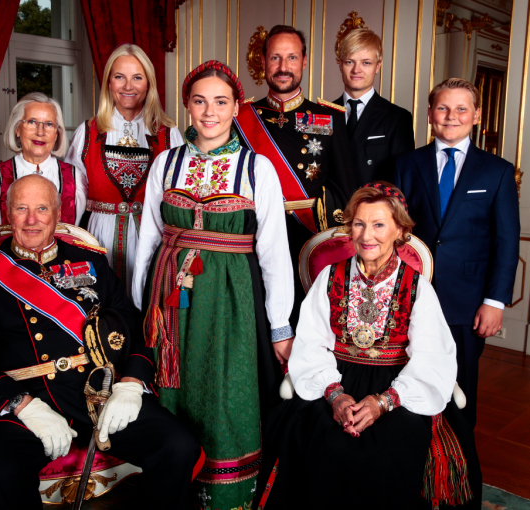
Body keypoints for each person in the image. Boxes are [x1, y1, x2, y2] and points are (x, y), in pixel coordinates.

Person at [0, 174, 202, 510]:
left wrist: (131, 382)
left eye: (41, 208)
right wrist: (22, 404)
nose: (32, 219)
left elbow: (133, 325)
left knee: (179, 445)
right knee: (0, 478)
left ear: (59, 212)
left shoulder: (90, 259)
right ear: (8, 214)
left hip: (99, 392)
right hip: (26, 403)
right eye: (21, 208)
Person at [255, 183, 481, 510]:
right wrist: (335, 396)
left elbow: (432, 356)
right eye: (359, 224)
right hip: (334, 378)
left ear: (399, 230)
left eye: (378, 225)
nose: (366, 235)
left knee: (388, 449)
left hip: (398, 387)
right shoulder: (329, 277)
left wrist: (382, 402)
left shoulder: (416, 286)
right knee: (324, 441)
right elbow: (312, 343)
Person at [132, 61, 293, 510]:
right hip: (170, 299)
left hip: (231, 301)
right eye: (200, 101)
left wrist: (280, 326)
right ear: (187, 104)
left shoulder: (256, 168)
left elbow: (275, 251)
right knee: (172, 390)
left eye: (221, 102)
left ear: (236, 107)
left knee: (225, 392)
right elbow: (147, 235)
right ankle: (174, 487)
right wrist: (139, 307)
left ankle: (225, 498)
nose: (209, 112)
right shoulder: (166, 162)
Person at [394, 78, 520, 427]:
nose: (452, 116)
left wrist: (494, 302)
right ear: (431, 114)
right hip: (410, 296)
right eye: (443, 108)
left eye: (462, 108)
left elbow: (506, 241)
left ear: (476, 115)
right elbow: (394, 231)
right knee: (408, 388)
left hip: (466, 304)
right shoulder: (406, 164)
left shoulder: (497, 171)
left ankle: (460, 474)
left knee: (459, 398)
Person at [234, 24, 356, 332]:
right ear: (263, 62)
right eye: (275, 58)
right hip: (256, 238)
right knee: (258, 326)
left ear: (304, 61)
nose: (283, 67)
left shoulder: (329, 117)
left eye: (291, 57)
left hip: (309, 239)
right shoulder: (241, 117)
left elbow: (346, 189)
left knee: (309, 329)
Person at [65, 44, 184, 295]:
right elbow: (71, 198)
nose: (128, 86)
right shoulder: (86, 133)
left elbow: (180, 197)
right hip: (99, 236)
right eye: (119, 77)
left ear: (149, 84)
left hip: (152, 235)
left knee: (149, 309)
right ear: (108, 83)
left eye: (137, 78)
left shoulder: (169, 134)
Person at [0, 92, 87, 251]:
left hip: (61, 268)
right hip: (12, 268)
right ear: (17, 129)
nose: (40, 132)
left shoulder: (75, 176)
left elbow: (82, 235)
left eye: (49, 124)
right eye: (32, 122)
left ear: (57, 133)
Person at [334, 29, 415, 185]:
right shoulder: (324, 113)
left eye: (366, 63)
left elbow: (401, 181)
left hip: (373, 207)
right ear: (340, 64)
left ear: (377, 67)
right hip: (330, 208)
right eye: (349, 62)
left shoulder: (397, 118)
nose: (356, 70)